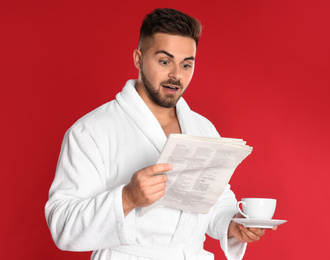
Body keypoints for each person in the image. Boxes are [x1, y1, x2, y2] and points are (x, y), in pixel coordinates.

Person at [45, 8, 275, 260]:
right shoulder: (91, 130)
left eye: (186, 64)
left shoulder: (202, 127)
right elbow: (62, 226)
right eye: (165, 61)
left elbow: (214, 198)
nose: (176, 75)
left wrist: (232, 225)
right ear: (138, 58)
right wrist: (127, 197)